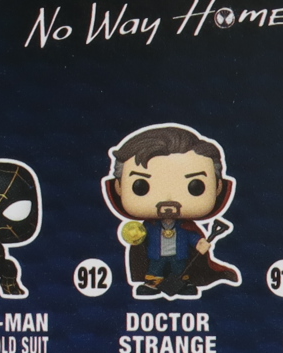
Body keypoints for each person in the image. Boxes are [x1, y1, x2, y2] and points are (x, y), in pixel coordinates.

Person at [103, 123, 241, 297]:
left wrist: (200, 242)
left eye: (195, 186)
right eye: (141, 186)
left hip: (179, 254)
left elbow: (191, 236)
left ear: (218, 187)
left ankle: (183, 284)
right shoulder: (149, 227)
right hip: (156, 255)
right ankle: (152, 284)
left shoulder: (185, 227)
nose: (168, 200)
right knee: (155, 269)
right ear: (119, 187)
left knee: (179, 269)